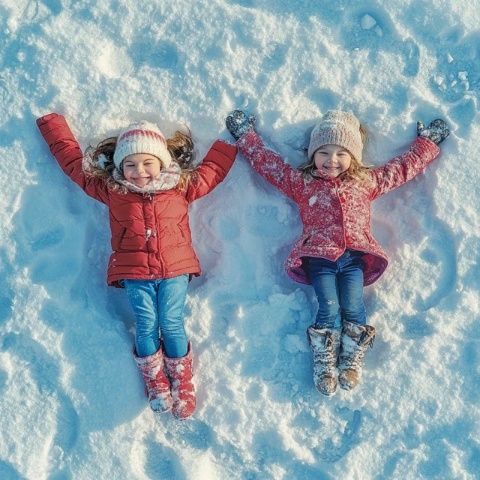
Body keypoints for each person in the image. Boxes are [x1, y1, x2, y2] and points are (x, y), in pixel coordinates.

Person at [225, 109, 449, 395]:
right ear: (313, 155)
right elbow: (272, 167)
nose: (332, 160)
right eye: (324, 153)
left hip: (355, 257)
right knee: (328, 306)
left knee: (353, 305)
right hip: (320, 258)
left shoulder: (365, 182)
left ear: (353, 157)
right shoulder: (303, 184)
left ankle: (351, 360)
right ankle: (324, 361)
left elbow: (401, 169)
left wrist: (426, 145)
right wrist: (247, 137)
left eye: (341, 154)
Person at [37, 113, 237, 417]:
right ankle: (156, 382)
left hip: (174, 270)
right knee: (145, 325)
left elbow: (212, 171)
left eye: (147, 163)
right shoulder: (113, 192)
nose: (139, 172)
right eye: (130, 165)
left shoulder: (180, 187)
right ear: (119, 167)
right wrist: (53, 127)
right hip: (134, 272)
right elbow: (75, 167)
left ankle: (182, 383)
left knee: (171, 324)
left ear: (161, 163)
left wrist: (234, 139)